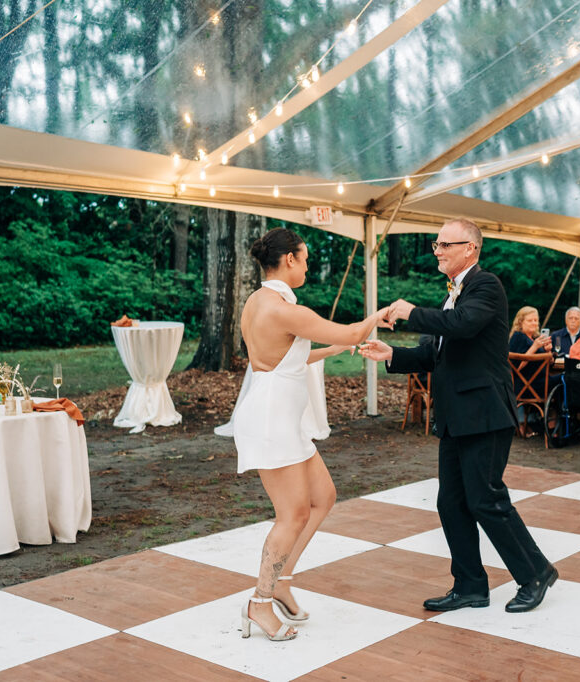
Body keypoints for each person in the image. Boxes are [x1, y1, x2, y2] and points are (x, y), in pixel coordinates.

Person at [360, 217, 556, 614]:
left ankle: (535, 572)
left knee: (486, 499)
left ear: (470, 248)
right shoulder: (453, 294)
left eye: (445, 244)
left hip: (484, 413)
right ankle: (470, 585)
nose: (438, 251)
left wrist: (412, 312)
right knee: (451, 503)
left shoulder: (485, 286)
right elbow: (437, 354)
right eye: (436, 244)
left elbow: (463, 327)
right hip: (456, 416)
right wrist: (393, 354)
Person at [234, 228, 391, 641]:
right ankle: (260, 603)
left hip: (282, 418)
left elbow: (287, 355)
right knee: (293, 515)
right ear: (289, 260)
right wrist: (379, 316)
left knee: (324, 497)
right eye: (304, 259)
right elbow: (353, 331)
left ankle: (281, 580)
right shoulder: (285, 309)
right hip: (272, 422)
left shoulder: (258, 301)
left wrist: (338, 350)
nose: (306, 266)